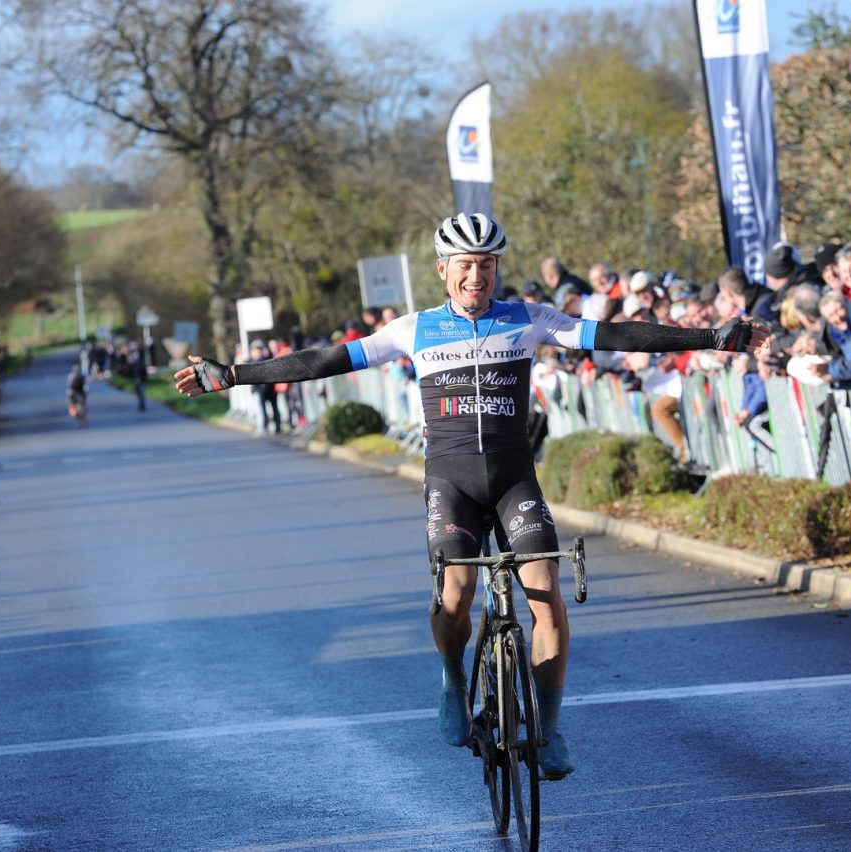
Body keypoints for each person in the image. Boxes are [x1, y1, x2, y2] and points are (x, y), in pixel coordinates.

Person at [174, 213, 770, 779]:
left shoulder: (531, 318)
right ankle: (454, 681)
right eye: (464, 265)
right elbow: (322, 360)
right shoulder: (415, 329)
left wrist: (713, 335)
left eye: (486, 265)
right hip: (452, 482)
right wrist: (232, 374)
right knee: (455, 594)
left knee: (545, 593)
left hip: (514, 479)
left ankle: (551, 727)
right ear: (442, 269)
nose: (475, 276)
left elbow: (615, 333)